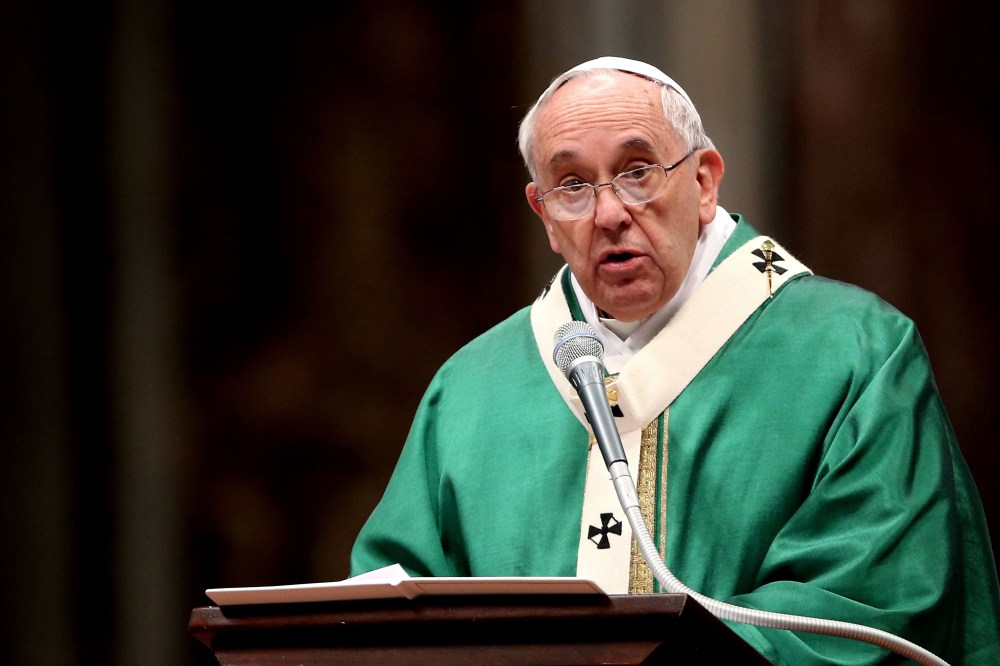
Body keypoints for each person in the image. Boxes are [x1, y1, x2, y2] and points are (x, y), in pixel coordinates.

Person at [349, 56, 1000, 664]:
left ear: (704, 180)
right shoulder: (470, 389)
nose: (609, 214)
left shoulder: (854, 352)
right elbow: (387, 610)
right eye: (572, 185)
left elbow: (877, 603)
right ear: (544, 215)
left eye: (637, 171)